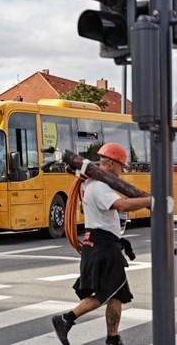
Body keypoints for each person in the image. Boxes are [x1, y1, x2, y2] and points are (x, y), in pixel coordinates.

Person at [51, 143, 151, 345]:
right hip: (103, 246)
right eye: (121, 166)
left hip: (100, 243)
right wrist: (150, 201)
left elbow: (86, 210)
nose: (122, 171)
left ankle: (113, 339)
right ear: (112, 164)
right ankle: (66, 318)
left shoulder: (89, 185)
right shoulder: (100, 186)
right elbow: (121, 205)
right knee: (110, 291)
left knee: (116, 293)